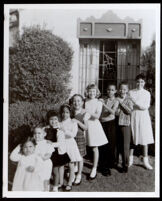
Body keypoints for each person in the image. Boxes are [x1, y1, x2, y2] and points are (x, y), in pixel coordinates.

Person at [128, 73, 154, 170]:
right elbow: (130, 106)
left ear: (144, 82)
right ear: (135, 82)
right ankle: (130, 159)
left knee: (144, 138)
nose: (140, 84)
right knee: (133, 137)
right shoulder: (131, 92)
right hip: (134, 116)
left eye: (142, 82)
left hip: (143, 117)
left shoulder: (147, 93)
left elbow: (145, 107)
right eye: (138, 82)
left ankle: (145, 161)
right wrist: (135, 105)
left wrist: (135, 102)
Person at [84, 84, 108, 179]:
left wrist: (87, 111)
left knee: (94, 147)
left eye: (94, 91)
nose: (92, 93)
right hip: (84, 124)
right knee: (82, 145)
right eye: (90, 91)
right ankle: (77, 165)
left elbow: (97, 116)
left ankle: (94, 168)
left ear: (97, 92)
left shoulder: (98, 102)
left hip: (93, 126)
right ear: (87, 92)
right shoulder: (85, 101)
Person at [44, 110, 70, 192]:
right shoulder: (45, 129)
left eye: (55, 119)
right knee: (47, 170)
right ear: (48, 120)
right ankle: (46, 185)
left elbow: (60, 143)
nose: (53, 121)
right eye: (51, 119)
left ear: (58, 119)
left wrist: (50, 143)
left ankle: (55, 187)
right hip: (47, 152)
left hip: (56, 154)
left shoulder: (59, 130)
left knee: (55, 171)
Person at [60, 104, 82, 191]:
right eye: (63, 112)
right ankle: (61, 183)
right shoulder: (60, 122)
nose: (65, 114)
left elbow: (73, 134)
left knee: (71, 163)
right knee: (61, 164)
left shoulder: (73, 122)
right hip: (62, 144)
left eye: (67, 112)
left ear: (70, 113)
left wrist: (64, 130)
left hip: (70, 144)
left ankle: (69, 183)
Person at [99, 84, 119, 175]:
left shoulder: (116, 100)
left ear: (115, 91)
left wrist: (103, 104)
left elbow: (113, 112)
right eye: (108, 90)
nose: (110, 91)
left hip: (111, 124)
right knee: (103, 145)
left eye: (112, 90)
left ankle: (110, 163)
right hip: (102, 124)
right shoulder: (104, 99)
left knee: (110, 144)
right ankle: (103, 164)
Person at [70, 94, 89, 185]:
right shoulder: (70, 112)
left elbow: (86, 127)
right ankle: (72, 172)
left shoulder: (84, 113)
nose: (76, 103)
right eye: (74, 101)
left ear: (82, 102)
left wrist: (77, 121)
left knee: (80, 156)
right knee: (72, 155)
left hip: (80, 136)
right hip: (71, 137)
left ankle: (79, 174)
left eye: (78, 101)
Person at [115, 81, 133, 173]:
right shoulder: (116, 98)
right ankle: (116, 162)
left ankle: (125, 165)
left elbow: (129, 111)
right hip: (116, 124)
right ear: (118, 90)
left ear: (127, 90)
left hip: (125, 124)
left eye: (124, 89)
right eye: (121, 89)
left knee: (125, 146)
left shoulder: (129, 99)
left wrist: (121, 103)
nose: (122, 91)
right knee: (118, 145)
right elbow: (115, 111)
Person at [33, 126, 54, 191]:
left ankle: (46, 192)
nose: (37, 135)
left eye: (39, 133)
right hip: (34, 164)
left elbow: (48, 155)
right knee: (35, 180)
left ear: (44, 134)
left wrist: (41, 157)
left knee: (45, 179)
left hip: (45, 164)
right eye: (35, 133)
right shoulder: (32, 143)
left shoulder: (47, 143)